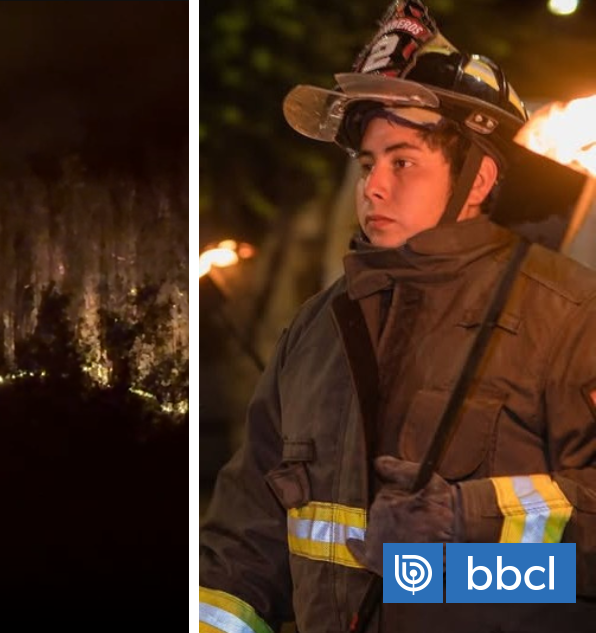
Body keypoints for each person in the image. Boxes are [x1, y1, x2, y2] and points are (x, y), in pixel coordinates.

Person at [198, 2, 596, 632]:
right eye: (366, 164)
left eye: (402, 161)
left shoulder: (571, 317)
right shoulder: (316, 330)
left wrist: (459, 527)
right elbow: (244, 543)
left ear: (478, 177)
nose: (373, 187)